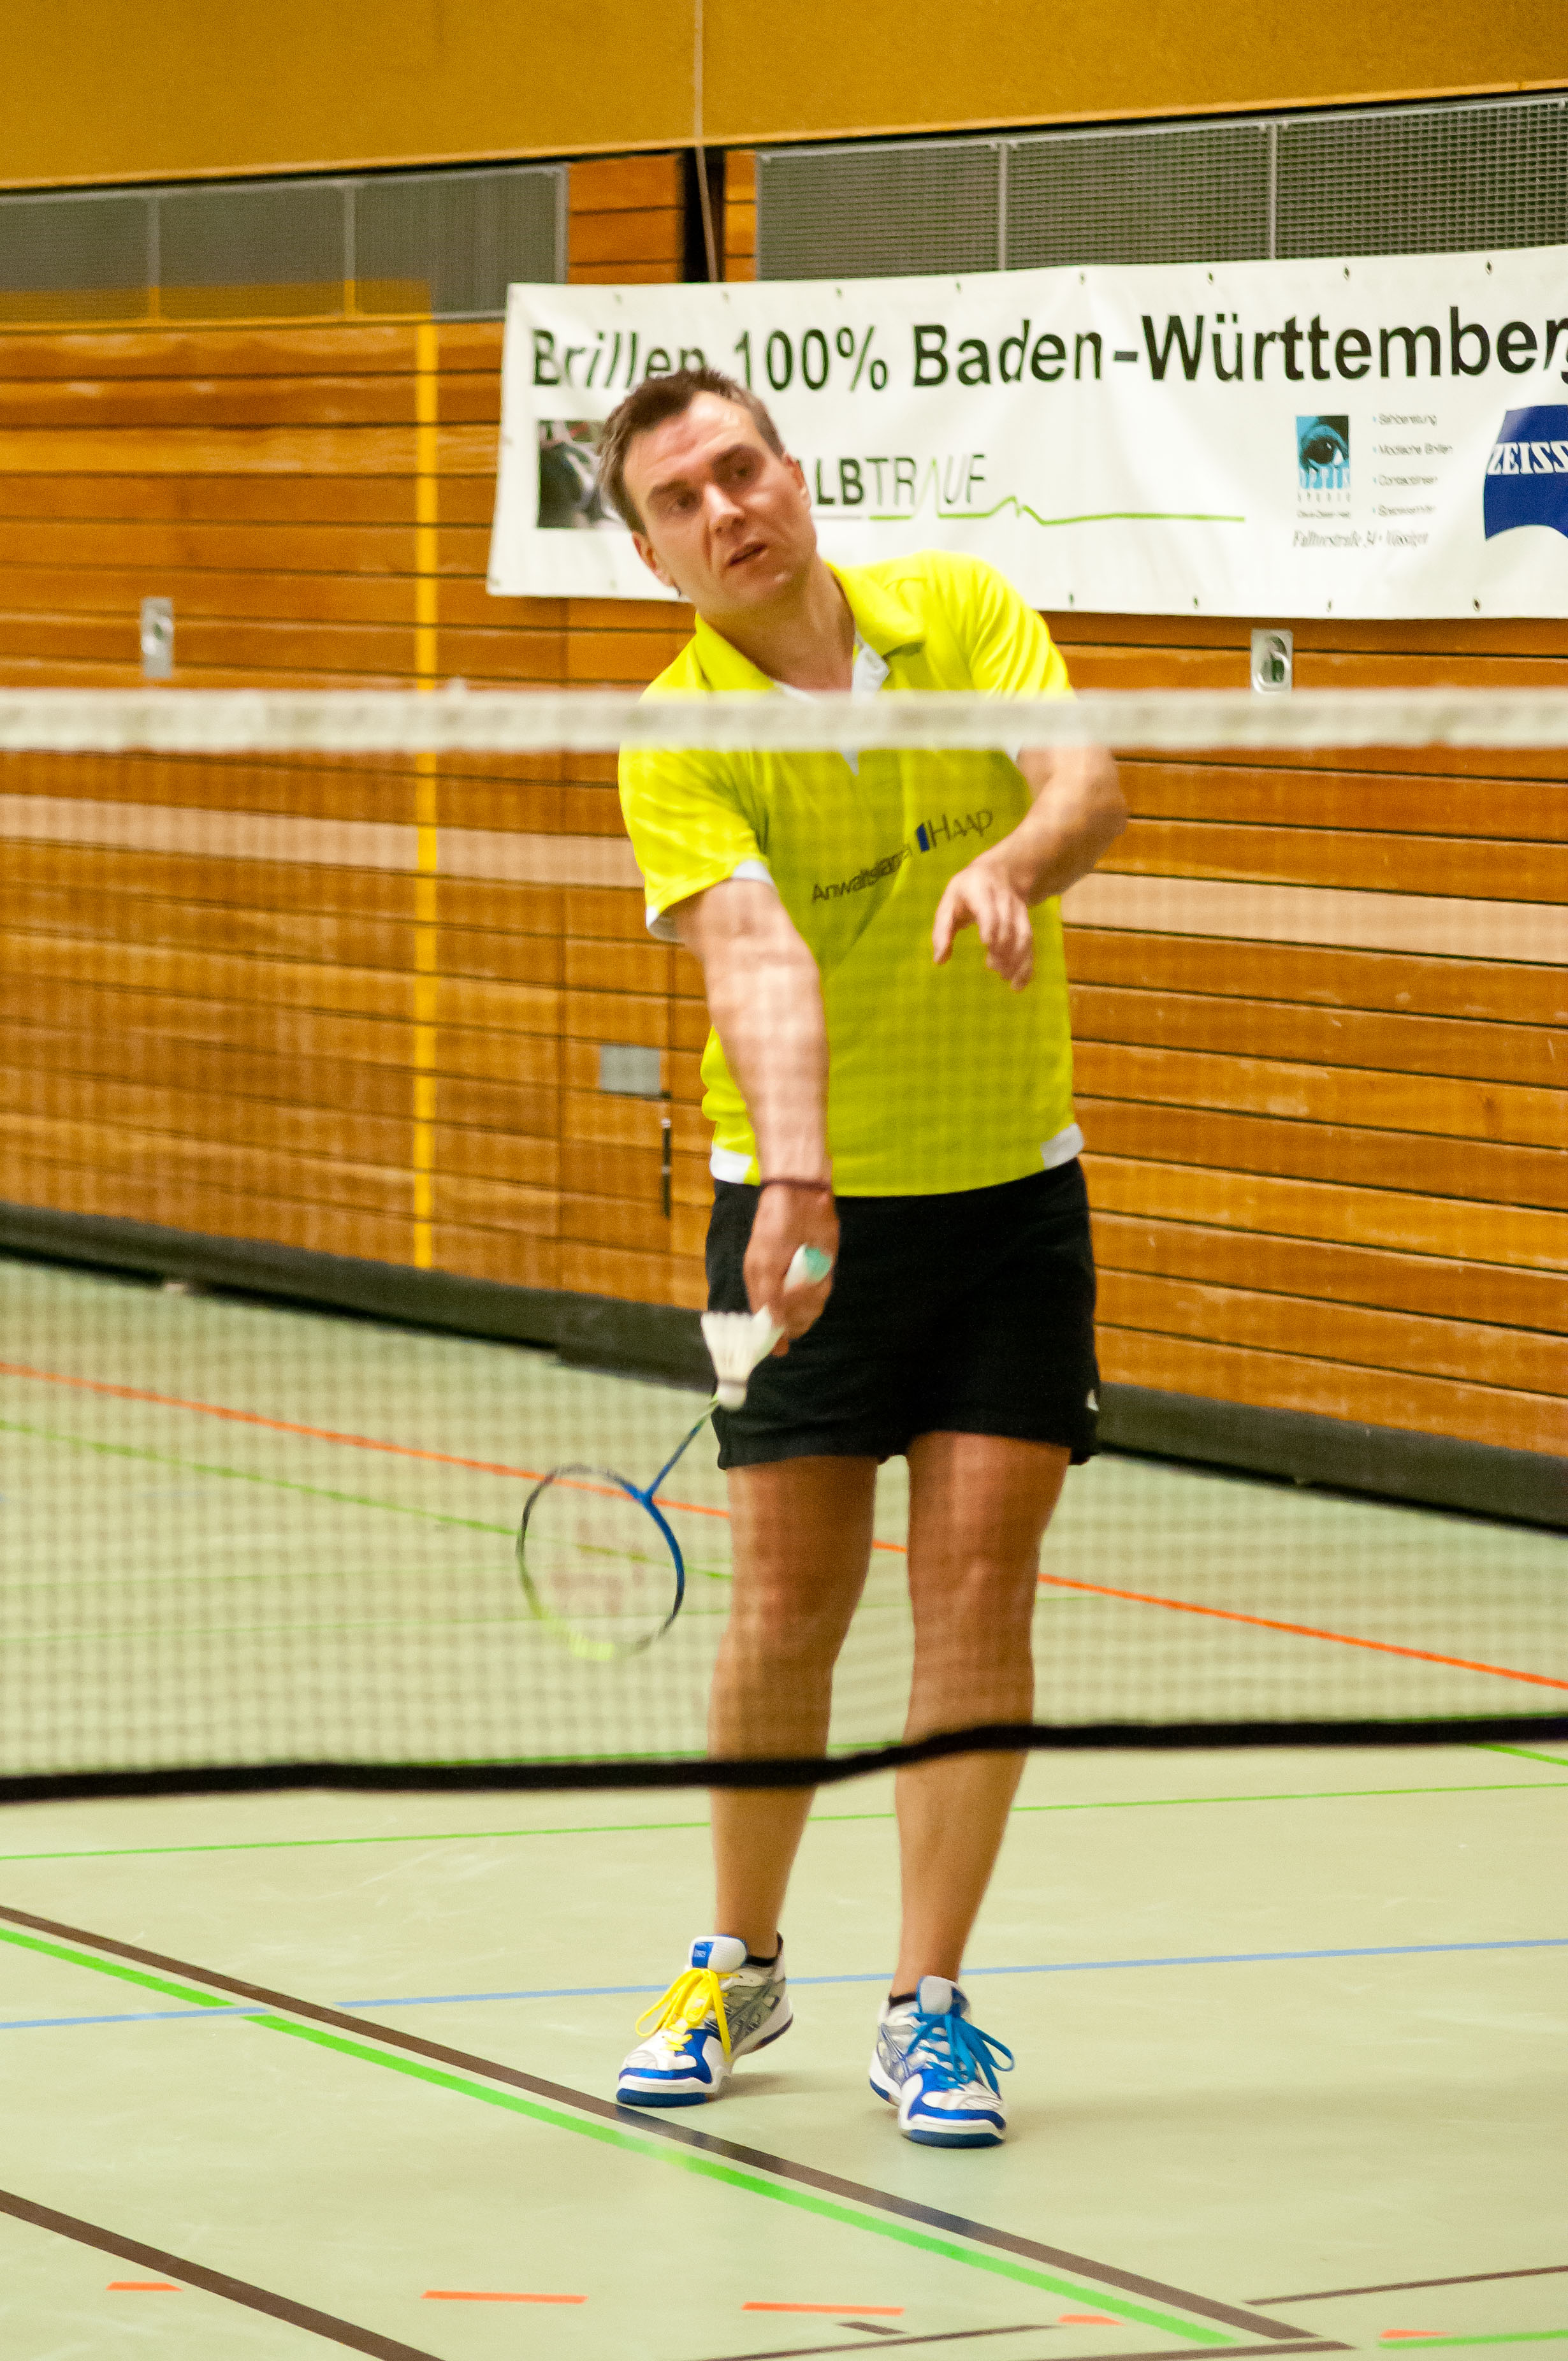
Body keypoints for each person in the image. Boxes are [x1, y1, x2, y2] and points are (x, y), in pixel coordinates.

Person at [603, 366, 1124, 2148]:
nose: (724, 510)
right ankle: (736, 1958)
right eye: (680, 501)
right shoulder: (677, 733)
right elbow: (755, 960)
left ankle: (929, 2003)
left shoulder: (958, 609)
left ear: (794, 471)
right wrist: (802, 1177)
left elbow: (1084, 786)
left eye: (738, 469)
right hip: (796, 1220)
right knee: (788, 1605)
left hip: (1008, 1204)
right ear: (657, 556)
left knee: (976, 1595)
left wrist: (1014, 867)